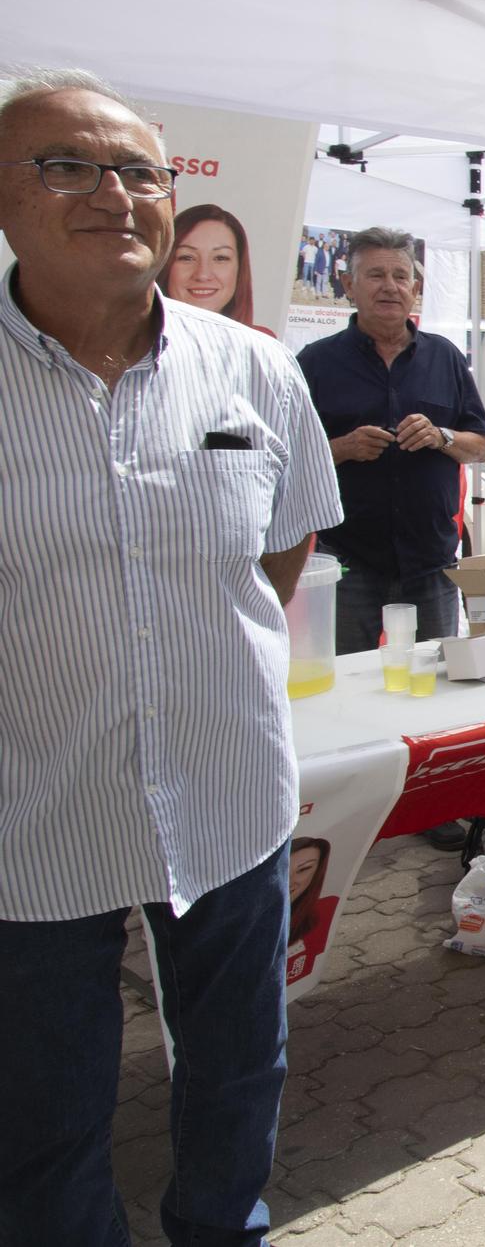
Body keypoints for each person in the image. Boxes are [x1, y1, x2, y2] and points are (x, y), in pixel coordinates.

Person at [0, 68, 343, 1246]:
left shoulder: (255, 371)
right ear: (3, 198)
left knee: (239, 1076)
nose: (113, 194)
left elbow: (283, 544)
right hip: (32, 820)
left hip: (227, 793)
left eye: (141, 171)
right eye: (64, 167)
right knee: (42, 1117)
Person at [298, 227, 485, 655]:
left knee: (433, 690)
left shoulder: (445, 357)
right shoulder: (315, 362)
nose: (390, 286)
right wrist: (343, 448)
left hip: (432, 563)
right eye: (375, 275)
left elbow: (481, 445)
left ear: (416, 288)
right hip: (350, 561)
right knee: (347, 689)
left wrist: (441, 436)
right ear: (348, 285)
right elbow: (289, 459)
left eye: (400, 276)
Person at [166, 202, 267, 333]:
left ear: (239, 269)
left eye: (220, 258)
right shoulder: (134, 347)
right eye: (187, 257)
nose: (202, 275)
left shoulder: (262, 346)